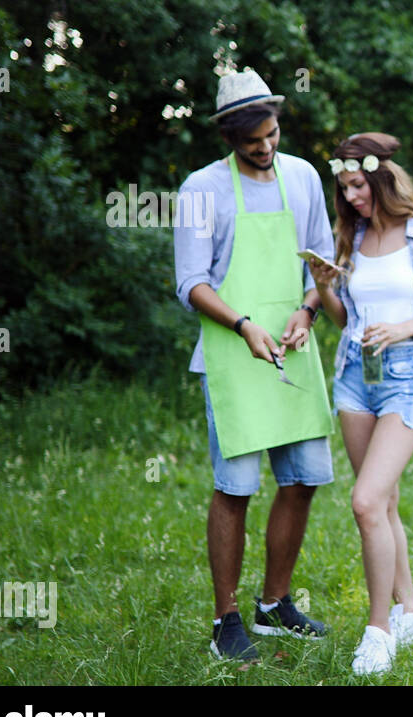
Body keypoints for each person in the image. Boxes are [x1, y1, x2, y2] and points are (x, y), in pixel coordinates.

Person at [174, 70, 335, 661]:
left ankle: (275, 604)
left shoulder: (302, 176)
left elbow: (322, 264)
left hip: (292, 345)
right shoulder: (200, 189)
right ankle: (227, 620)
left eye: (270, 135)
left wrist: (307, 311)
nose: (265, 149)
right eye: (252, 142)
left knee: (305, 477)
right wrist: (243, 325)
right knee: (236, 487)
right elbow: (190, 282)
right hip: (233, 352)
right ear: (229, 138)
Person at [307, 133, 413, 676]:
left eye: (357, 186)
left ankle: (380, 631)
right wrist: (325, 288)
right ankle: (410, 612)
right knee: (384, 504)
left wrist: (408, 326)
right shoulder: (353, 238)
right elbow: (345, 319)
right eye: (343, 189)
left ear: (382, 180)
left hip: (409, 376)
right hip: (354, 378)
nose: (350, 197)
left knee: (365, 502)